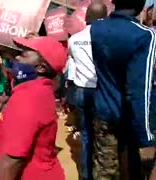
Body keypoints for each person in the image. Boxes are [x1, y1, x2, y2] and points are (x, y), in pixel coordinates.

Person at [90, 0, 156, 179]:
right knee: (133, 168)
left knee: (105, 168)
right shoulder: (144, 36)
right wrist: (146, 134)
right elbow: (140, 88)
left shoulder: (96, 29)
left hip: (103, 110)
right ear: (141, 5)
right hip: (129, 115)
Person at [0, 36, 67, 180]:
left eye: (24, 54)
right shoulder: (39, 89)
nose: (18, 57)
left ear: (41, 67)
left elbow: (12, 161)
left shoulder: (29, 96)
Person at [68, 2, 108, 180]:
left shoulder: (73, 39)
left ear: (86, 17)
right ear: (106, 17)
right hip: (102, 92)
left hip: (82, 91)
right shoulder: (109, 38)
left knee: (86, 136)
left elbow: (72, 69)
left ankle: (86, 176)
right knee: (103, 136)